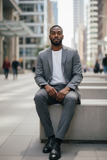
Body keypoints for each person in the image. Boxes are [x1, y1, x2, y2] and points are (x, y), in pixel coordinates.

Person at [34, 25, 83, 160]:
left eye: (59, 33)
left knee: (72, 99)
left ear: (62, 36)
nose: (56, 35)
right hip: (49, 88)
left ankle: (57, 142)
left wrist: (67, 88)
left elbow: (78, 74)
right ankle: (50, 137)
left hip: (68, 89)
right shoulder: (42, 55)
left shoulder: (72, 52)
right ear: (49, 37)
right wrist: (46, 86)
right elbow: (38, 75)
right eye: (53, 33)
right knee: (38, 97)